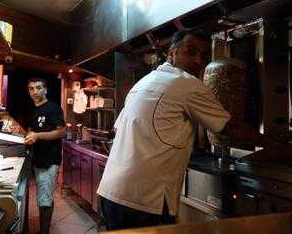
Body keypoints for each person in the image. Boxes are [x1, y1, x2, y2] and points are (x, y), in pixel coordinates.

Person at [97, 28, 279, 231]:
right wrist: (278, 146)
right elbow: (230, 128)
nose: (198, 61)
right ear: (171, 53)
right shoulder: (187, 83)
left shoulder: (143, 83)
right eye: (190, 52)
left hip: (111, 193)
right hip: (144, 201)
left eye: (202, 55)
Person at [24, 77, 65, 234]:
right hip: (39, 159)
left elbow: (61, 132)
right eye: (31, 88)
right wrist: (27, 135)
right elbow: (33, 130)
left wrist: (37, 136)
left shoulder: (52, 108)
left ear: (45, 90)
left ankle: (44, 232)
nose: (35, 91)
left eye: (39, 87)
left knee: (45, 199)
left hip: (49, 160)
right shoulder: (35, 109)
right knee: (42, 197)